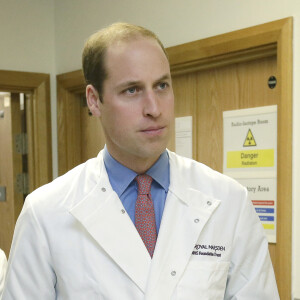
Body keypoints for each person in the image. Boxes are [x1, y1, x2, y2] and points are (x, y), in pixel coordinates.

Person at [2, 23, 279, 299]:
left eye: (161, 86)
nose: (154, 108)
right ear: (94, 100)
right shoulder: (45, 213)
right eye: (132, 90)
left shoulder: (229, 201)